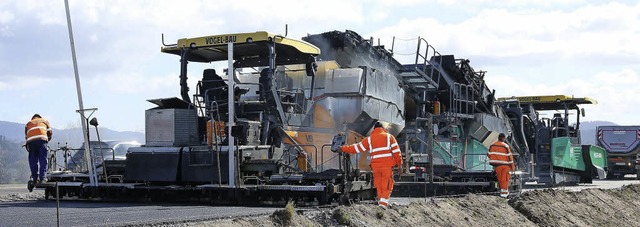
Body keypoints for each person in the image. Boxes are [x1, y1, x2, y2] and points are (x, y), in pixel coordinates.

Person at [333, 122, 402, 208]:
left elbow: (356, 148)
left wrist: (342, 148)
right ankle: (383, 205)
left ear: (374, 129)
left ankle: (381, 205)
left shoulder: (369, 139)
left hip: (376, 168)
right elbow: (397, 153)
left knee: (379, 186)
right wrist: (399, 165)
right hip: (386, 167)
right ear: (383, 128)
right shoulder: (389, 137)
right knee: (387, 186)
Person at [24, 114, 52, 184]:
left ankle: (35, 178)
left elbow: (26, 135)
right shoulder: (44, 121)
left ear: (33, 118)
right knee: (43, 159)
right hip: (42, 141)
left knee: (33, 160)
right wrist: (47, 140)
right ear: (40, 117)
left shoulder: (29, 123)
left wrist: (28, 143)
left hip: (31, 143)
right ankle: (43, 178)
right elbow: (50, 132)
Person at [487, 133, 515, 198]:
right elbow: (510, 158)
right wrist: (512, 167)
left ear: (498, 137)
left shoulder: (492, 145)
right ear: (504, 138)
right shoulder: (506, 146)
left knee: (500, 179)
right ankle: (504, 194)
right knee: (505, 179)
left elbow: (489, 154)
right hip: (506, 166)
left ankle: (502, 193)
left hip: (497, 166)